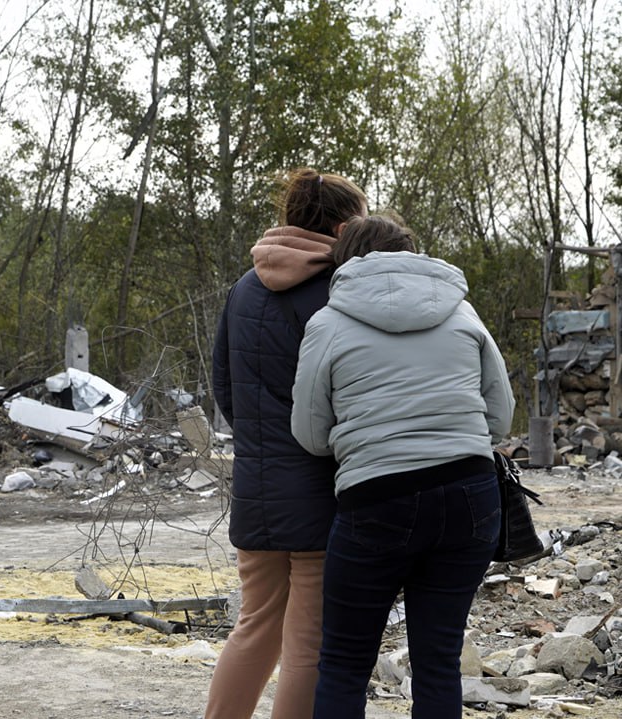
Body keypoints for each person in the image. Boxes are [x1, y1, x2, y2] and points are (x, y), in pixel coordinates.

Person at [290, 215, 515, 719]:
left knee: (346, 663)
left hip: (376, 498)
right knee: (438, 663)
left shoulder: (326, 323)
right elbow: (499, 417)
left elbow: (308, 432)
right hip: (468, 494)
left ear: (344, 262)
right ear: (413, 253)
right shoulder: (462, 312)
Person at [206, 168, 368, 719]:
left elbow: (223, 387)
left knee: (254, 627)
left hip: (255, 483)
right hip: (320, 490)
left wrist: (259, 438)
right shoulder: (337, 292)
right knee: (309, 646)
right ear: (344, 225)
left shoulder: (244, 288)